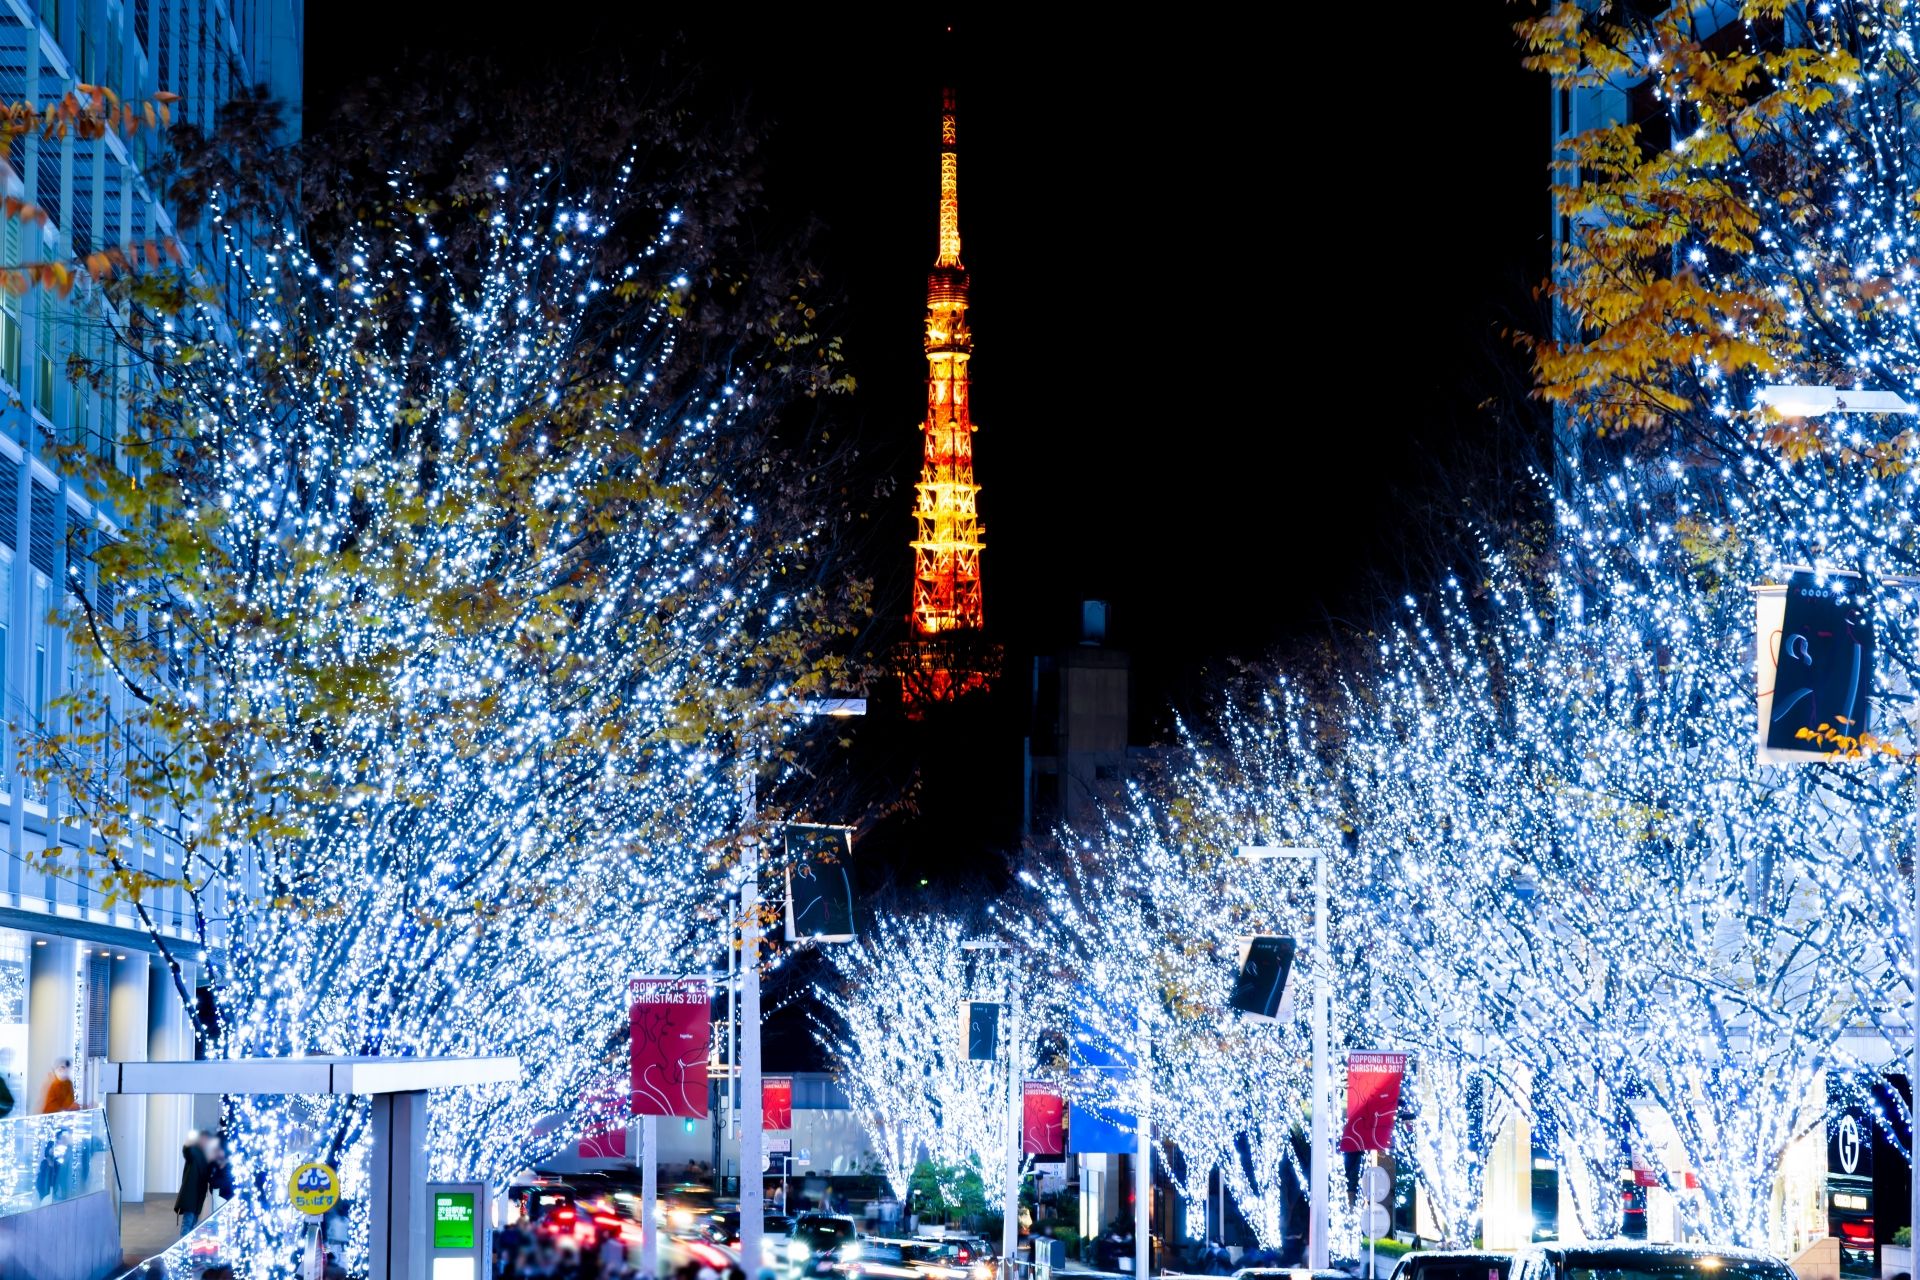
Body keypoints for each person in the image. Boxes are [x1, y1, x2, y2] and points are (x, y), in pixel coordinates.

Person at [175, 1130, 212, 1233]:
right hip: (190, 1194)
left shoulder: (206, 1156)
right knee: (188, 1222)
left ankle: (187, 1244)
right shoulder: (194, 1152)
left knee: (192, 1222)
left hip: (198, 1195)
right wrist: (188, 1143)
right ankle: (184, 1245)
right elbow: (187, 1151)